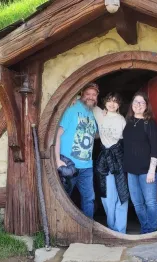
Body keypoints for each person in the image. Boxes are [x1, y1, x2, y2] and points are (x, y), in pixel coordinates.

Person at [55, 83, 99, 219]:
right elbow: (58, 134)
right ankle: (61, 230)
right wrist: (57, 160)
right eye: (88, 94)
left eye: (94, 94)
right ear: (81, 94)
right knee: (64, 198)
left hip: (87, 166)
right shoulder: (71, 109)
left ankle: (88, 232)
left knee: (89, 199)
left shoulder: (93, 112)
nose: (91, 97)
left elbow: (95, 134)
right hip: (69, 164)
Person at [123, 91, 157, 234]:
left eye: (142, 102)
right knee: (137, 203)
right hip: (131, 170)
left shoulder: (150, 124)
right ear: (131, 105)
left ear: (146, 106)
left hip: (148, 170)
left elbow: (155, 149)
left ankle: (151, 231)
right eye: (135, 102)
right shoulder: (127, 123)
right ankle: (146, 228)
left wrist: (152, 170)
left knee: (150, 202)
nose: (138, 105)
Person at [94, 92, 129, 234]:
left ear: (119, 104)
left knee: (122, 194)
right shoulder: (99, 114)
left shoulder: (122, 120)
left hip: (119, 158)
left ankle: (120, 230)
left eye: (115, 101)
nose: (112, 104)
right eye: (109, 100)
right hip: (104, 159)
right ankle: (111, 229)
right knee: (108, 195)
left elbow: (126, 141)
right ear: (104, 102)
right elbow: (80, 96)